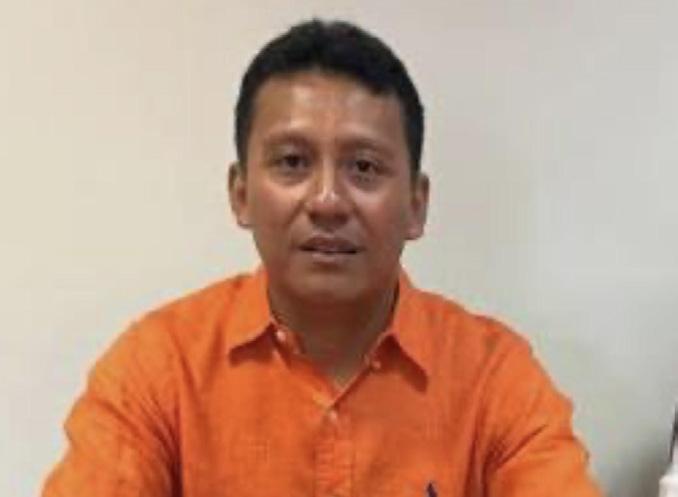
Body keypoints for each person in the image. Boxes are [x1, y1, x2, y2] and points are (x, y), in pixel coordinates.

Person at [42, 19, 603, 497]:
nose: (328, 201)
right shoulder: (160, 368)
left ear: (416, 205)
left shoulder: (496, 380)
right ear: (241, 194)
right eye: (292, 162)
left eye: (364, 167)